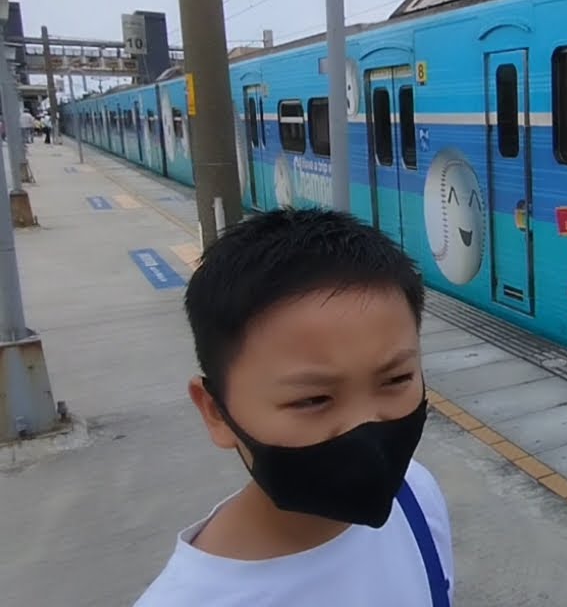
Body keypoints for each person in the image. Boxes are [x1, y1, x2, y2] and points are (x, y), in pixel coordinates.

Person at [134, 208, 454, 606]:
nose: (366, 430)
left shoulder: (416, 496)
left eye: (396, 380)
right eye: (312, 399)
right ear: (215, 411)